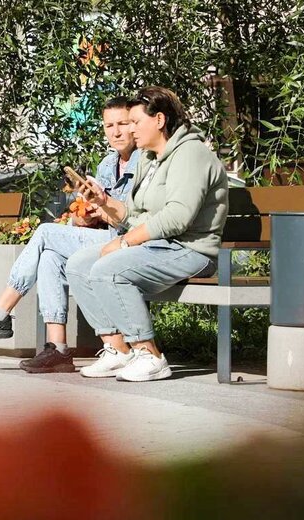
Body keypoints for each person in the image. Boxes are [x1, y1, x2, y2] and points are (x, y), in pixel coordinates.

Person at [0, 97, 141, 374]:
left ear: (135, 124)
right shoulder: (107, 164)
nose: (115, 132)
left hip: (131, 243)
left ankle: (1, 311)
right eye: (109, 126)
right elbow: (95, 215)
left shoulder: (145, 162)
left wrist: (102, 209)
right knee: (50, 257)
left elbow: (135, 218)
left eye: (122, 124)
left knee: (44, 232)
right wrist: (84, 215)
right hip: (108, 239)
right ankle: (58, 349)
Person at [66, 86, 229, 382]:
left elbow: (178, 217)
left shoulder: (191, 154)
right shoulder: (150, 159)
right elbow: (133, 213)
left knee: (108, 269)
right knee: (78, 264)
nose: (130, 129)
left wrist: (124, 242)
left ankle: (149, 355)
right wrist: (103, 202)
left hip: (190, 250)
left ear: (160, 120)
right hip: (158, 246)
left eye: (135, 122)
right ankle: (118, 350)